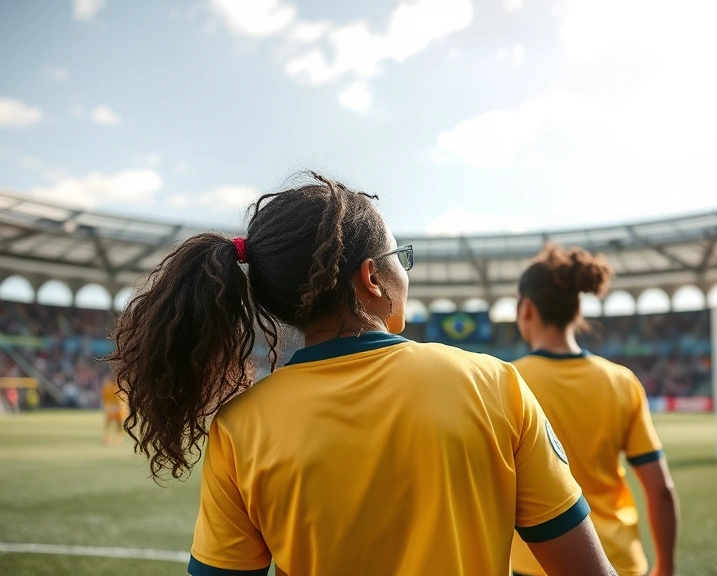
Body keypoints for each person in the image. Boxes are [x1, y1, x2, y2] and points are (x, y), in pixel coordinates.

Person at [107, 173, 617, 576]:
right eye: (401, 260)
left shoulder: (240, 428)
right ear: (371, 277)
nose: (405, 273)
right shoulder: (491, 383)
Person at [510, 244, 680, 576]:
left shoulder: (507, 381)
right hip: (618, 560)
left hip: (538, 562)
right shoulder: (622, 381)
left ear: (526, 309)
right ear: (577, 309)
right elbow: (660, 490)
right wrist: (667, 567)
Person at [100, 374, 125, 445]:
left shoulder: (115, 388)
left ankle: (115, 438)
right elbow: (105, 397)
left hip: (116, 409)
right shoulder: (111, 388)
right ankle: (110, 438)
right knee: (111, 424)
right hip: (114, 409)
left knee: (115, 424)